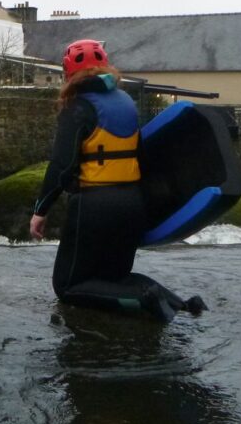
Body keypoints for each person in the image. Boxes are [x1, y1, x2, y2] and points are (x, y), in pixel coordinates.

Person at [29, 39, 206, 323]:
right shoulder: (126, 102)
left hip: (94, 207)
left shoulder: (78, 106)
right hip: (133, 204)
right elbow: (142, 154)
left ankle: (144, 302)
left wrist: (41, 210)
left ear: (68, 73)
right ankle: (184, 305)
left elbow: (62, 166)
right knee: (115, 277)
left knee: (68, 286)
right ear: (104, 67)